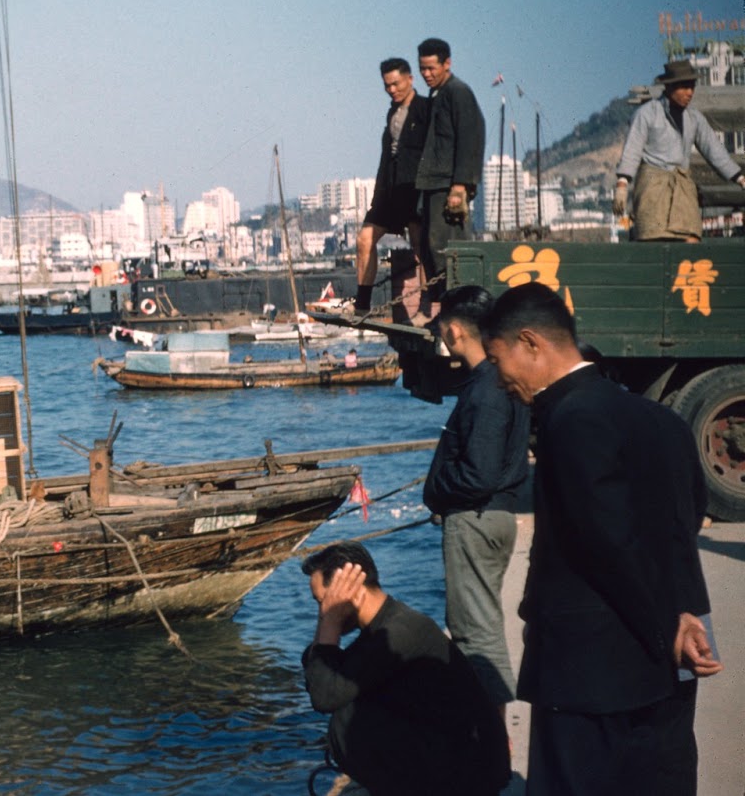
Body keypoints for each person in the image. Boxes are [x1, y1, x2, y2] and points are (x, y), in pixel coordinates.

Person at [479, 282, 721, 793]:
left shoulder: (570, 419)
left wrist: (665, 626)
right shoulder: (664, 420)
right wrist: (685, 617)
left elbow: (608, 542)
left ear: (530, 342)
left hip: (590, 674)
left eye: (498, 361)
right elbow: (685, 526)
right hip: (671, 661)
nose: (499, 379)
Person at [301, 541, 510, 796]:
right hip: (459, 758)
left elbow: (324, 696)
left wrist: (331, 621)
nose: (322, 612)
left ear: (352, 590)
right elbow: (321, 672)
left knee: (344, 722)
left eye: (324, 602)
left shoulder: (398, 632)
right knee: (349, 695)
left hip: (470, 774)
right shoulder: (385, 624)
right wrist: (327, 622)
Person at [422, 285, 530, 712]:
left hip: (475, 518)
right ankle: (491, 731)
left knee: (474, 633)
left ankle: (492, 736)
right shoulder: (500, 381)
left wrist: (437, 491)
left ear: (454, 331)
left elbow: (478, 474)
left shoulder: (485, 389)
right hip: (492, 515)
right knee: (480, 624)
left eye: (440, 328)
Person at [614, 57, 745, 242]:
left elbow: (714, 149)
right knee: (654, 238)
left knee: (691, 238)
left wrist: (740, 178)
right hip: (653, 189)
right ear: (669, 87)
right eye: (684, 87)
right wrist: (622, 185)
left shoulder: (694, 118)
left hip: (683, 188)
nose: (689, 92)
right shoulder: (647, 113)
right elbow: (632, 150)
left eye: (692, 87)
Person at [354, 58, 430, 314]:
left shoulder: (425, 109)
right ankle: (362, 304)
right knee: (364, 239)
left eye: (396, 84)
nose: (391, 90)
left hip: (416, 190)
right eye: (387, 85)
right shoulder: (392, 113)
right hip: (389, 192)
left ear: (410, 79)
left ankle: (426, 308)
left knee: (421, 245)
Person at [413, 38, 485, 302]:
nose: (426, 74)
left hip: (447, 186)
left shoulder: (458, 92)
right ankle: (446, 308)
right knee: (433, 248)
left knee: (449, 251)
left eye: (431, 68)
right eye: (422, 68)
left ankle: (460, 308)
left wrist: (460, 186)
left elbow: (470, 137)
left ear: (447, 64)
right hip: (433, 184)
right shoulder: (438, 94)